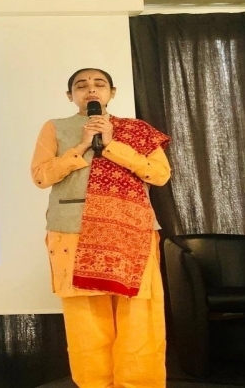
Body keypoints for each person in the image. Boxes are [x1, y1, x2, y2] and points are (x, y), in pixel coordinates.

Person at [30, 68, 171, 388]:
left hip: (130, 231)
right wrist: (81, 146)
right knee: (87, 322)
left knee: (139, 318)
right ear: (70, 96)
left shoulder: (136, 130)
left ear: (112, 93)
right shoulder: (55, 128)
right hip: (73, 230)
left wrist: (112, 145)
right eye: (81, 86)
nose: (90, 90)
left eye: (99, 84)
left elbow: (160, 175)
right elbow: (41, 176)